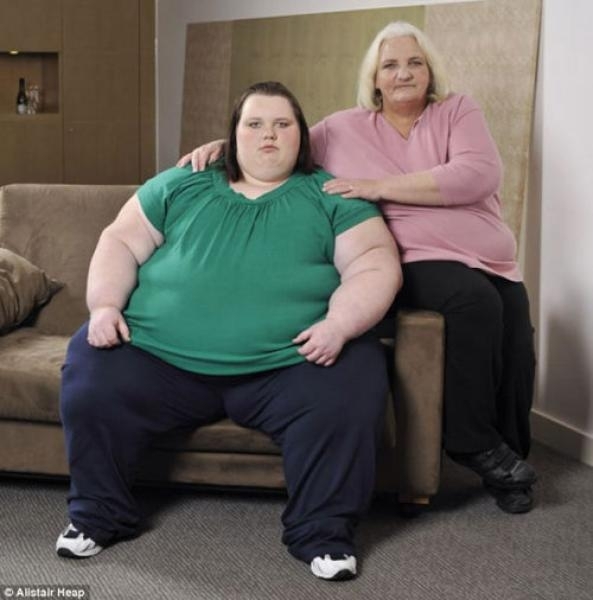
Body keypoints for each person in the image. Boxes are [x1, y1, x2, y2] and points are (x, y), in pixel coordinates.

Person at [179, 22, 538, 514]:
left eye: (414, 63)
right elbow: (284, 142)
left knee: (514, 323)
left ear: (430, 70)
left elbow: (478, 175)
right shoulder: (342, 128)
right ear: (374, 78)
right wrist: (222, 146)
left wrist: (377, 185)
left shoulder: (457, 110)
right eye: (390, 65)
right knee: (473, 303)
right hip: (413, 256)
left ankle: (509, 459)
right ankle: (469, 439)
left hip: (486, 255)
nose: (403, 73)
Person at [56, 81, 401, 581]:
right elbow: (121, 241)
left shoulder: (334, 195)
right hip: (159, 357)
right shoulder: (183, 182)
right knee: (92, 369)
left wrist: (339, 324)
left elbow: (374, 264)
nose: (268, 134)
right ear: (233, 135)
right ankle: (97, 516)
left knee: (355, 376)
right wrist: (105, 305)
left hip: (288, 364)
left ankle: (322, 533)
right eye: (254, 124)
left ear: (301, 136)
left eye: (282, 124)